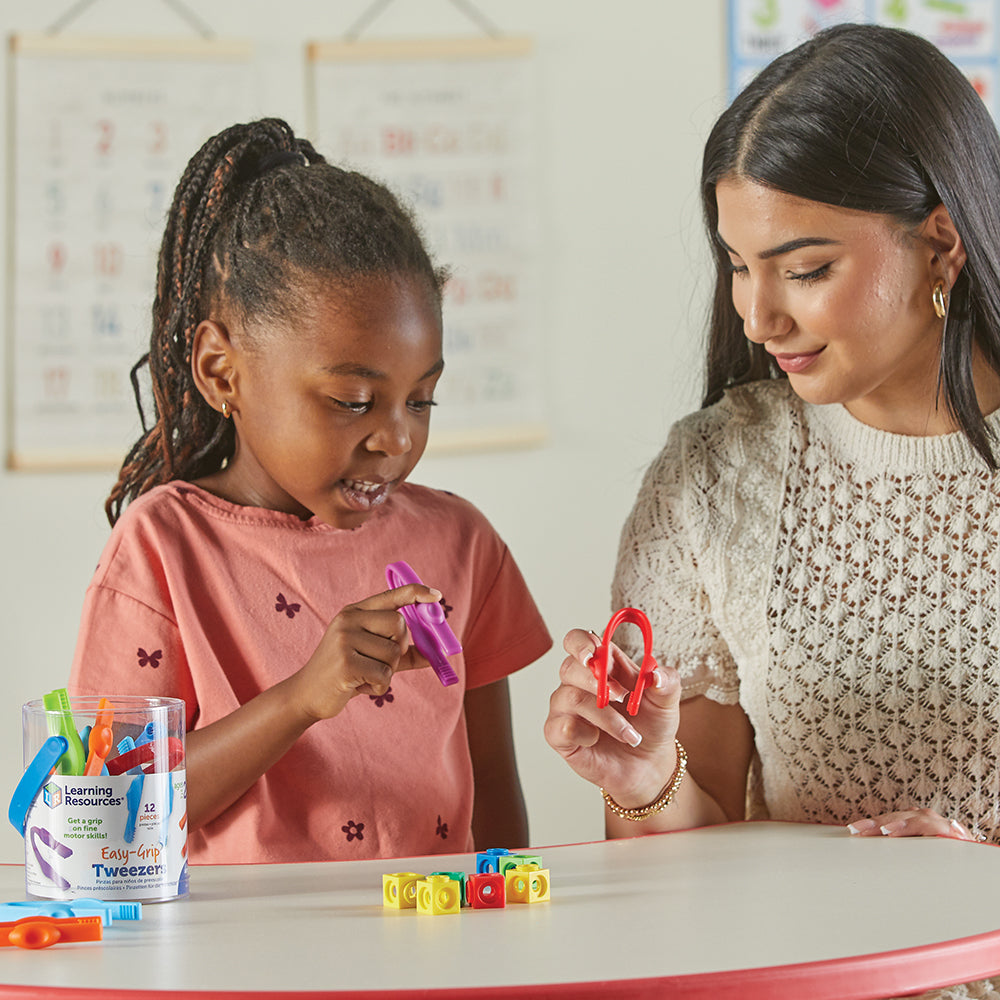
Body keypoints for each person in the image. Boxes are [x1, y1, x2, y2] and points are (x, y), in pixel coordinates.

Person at [546, 23, 1000, 1000]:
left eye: (801, 269)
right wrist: (646, 783)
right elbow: (685, 888)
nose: (757, 316)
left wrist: (981, 886)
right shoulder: (715, 476)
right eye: (737, 265)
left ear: (941, 241)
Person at [69, 117, 552, 865]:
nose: (396, 438)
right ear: (223, 372)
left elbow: (494, 789)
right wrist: (300, 699)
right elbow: (108, 816)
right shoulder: (163, 549)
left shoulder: (461, 545)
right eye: (354, 401)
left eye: (420, 400)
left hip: (436, 965)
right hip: (236, 973)